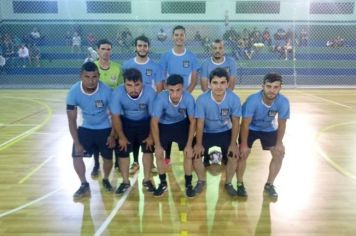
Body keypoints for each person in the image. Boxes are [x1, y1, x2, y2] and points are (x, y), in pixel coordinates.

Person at [66, 62, 116, 199]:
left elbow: (115, 116)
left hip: (105, 127)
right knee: (76, 155)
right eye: (87, 77)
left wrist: (112, 135)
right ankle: (83, 184)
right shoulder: (73, 92)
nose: (91, 80)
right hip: (86, 127)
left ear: (99, 76)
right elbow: (71, 120)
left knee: (108, 158)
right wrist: (77, 143)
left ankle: (105, 179)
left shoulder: (107, 91)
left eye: (94, 77)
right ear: (81, 76)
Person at [151, 74, 204, 198]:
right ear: (166, 88)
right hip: (164, 125)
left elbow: (193, 122)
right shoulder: (160, 99)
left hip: (181, 125)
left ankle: (188, 184)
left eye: (178, 90)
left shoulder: (189, 99)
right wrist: (157, 145)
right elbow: (154, 122)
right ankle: (163, 183)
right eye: (171, 90)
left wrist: (189, 145)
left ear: (183, 88)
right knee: (158, 154)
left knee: (188, 154)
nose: (175, 94)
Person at [238, 73, 290, 199]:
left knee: (279, 154)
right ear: (263, 86)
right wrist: (244, 145)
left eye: (275, 87)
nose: (272, 90)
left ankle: (269, 184)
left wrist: (279, 143)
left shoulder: (283, 102)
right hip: (250, 128)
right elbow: (245, 124)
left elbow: (282, 124)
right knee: (243, 153)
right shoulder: (253, 100)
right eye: (269, 86)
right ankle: (239, 183)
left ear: (280, 88)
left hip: (268, 128)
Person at [194, 67, 241, 196]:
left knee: (234, 155)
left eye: (222, 83)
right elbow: (200, 123)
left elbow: (236, 122)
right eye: (215, 83)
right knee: (195, 154)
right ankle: (201, 181)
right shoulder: (202, 100)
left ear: (227, 84)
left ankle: (229, 183)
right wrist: (198, 144)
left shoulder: (234, 99)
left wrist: (233, 143)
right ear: (209, 84)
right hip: (206, 132)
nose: (219, 86)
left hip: (225, 131)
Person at [110, 68, 156, 194]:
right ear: (124, 84)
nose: (133, 89)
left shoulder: (150, 93)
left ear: (142, 83)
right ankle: (125, 182)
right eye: (129, 85)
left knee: (148, 149)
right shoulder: (117, 93)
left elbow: (154, 117)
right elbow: (115, 117)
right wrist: (121, 137)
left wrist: (151, 136)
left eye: (137, 85)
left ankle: (147, 180)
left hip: (145, 122)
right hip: (126, 122)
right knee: (123, 150)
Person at [123, 35, 164, 174]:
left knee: (149, 133)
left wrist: (156, 107)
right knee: (134, 136)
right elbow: (124, 87)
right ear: (135, 47)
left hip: (149, 108)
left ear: (148, 48)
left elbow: (159, 88)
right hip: (132, 107)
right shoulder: (127, 65)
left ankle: (150, 162)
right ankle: (135, 161)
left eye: (145, 45)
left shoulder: (155, 66)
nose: (142, 48)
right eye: (139, 45)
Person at [160, 25, 199, 164]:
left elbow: (194, 80)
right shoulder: (166, 56)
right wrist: (171, 94)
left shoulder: (192, 57)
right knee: (167, 121)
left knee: (188, 121)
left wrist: (184, 96)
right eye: (176, 35)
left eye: (181, 35)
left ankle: (189, 148)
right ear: (172, 37)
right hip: (170, 96)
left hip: (185, 96)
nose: (179, 37)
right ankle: (167, 156)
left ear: (185, 37)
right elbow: (163, 78)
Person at [91, 39, 124, 177]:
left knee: (115, 133)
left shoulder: (117, 67)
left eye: (108, 49)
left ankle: (117, 161)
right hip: (95, 108)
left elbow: (120, 88)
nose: (106, 52)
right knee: (97, 136)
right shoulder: (92, 66)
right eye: (103, 49)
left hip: (112, 108)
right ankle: (96, 164)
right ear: (98, 50)